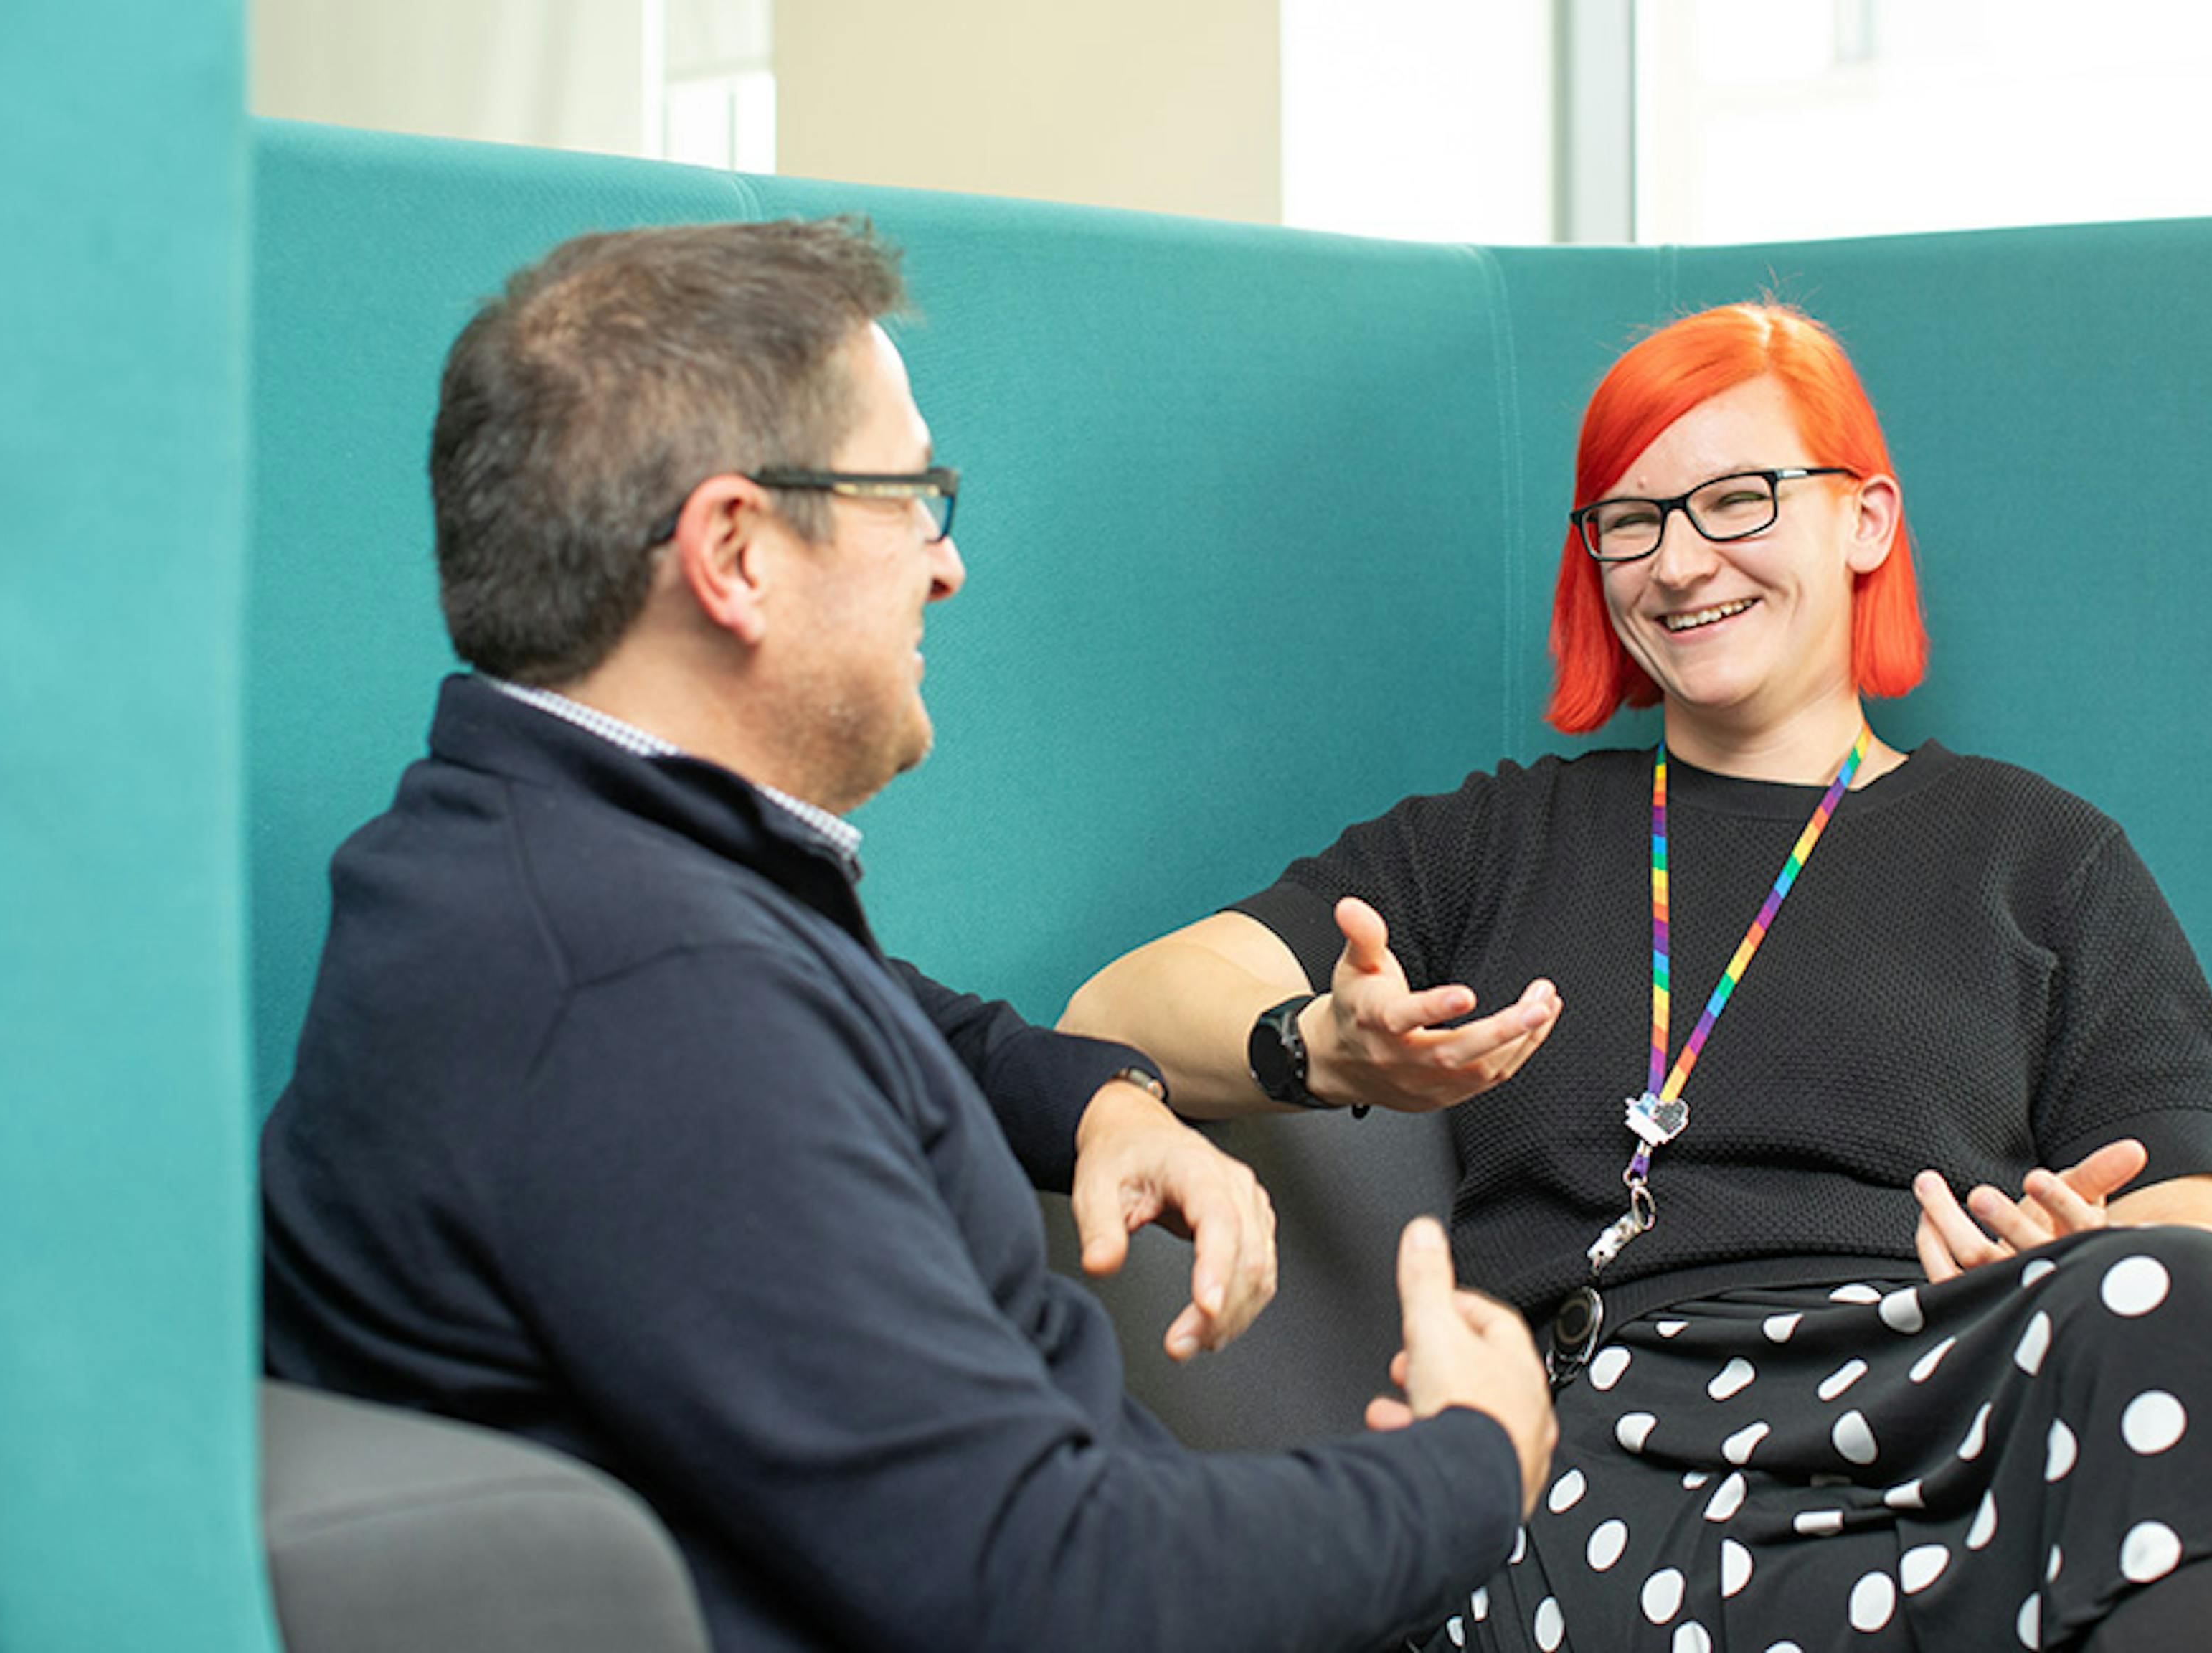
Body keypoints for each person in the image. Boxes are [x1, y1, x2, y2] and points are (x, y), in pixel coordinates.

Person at [1062, 301, 2212, 1652]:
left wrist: (2067, 1270)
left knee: (2176, 1311)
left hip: (1942, 1427)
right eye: (1632, 518)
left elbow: (2192, 1258)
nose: (1678, 563)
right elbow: (1114, 1008)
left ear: (1865, 520)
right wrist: (1312, 1040)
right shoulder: (1503, 836)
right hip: (1598, 1452)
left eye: (1738, 498)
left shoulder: (2045, 859)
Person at [259, 217, 1556, 1653]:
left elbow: (873, 1010)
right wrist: (1470, 1460)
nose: (945, 566)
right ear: (737, 552)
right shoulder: (650, 998)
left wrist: (1106, 1106)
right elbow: (1061, 1595)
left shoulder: (527, 856)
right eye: (911, 498)